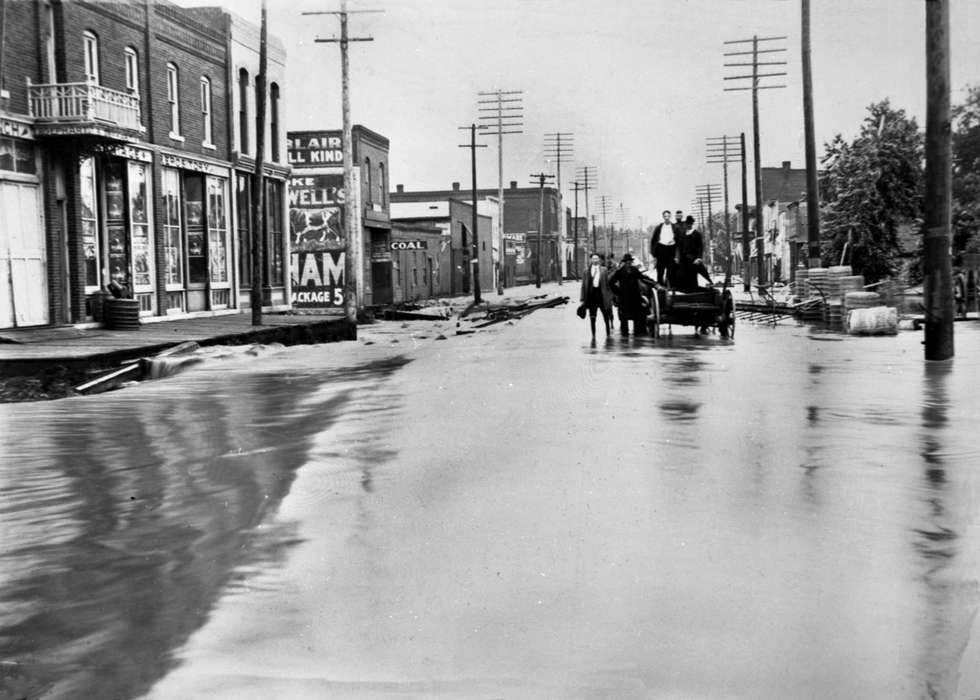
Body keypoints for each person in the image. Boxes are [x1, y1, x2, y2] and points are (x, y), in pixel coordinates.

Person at [609, 253, 648, 336]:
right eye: (627, 262)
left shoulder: (635, 270)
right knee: (624, 319)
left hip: (635, 297)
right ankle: (625, 336)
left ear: (631, 262)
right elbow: (611, 283)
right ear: (624, 262)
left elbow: (643, 278)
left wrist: (655, 284)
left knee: (637, 317)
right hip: (624, 298)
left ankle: (637, 335)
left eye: (629, 261)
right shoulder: (620, 272)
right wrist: (618, 291)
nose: (628, 263)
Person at [579, 253, 614, 338]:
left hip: (601, 295)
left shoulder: (604, 270)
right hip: (591, 296)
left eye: (597, 259)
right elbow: (583, 285)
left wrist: (610, 297)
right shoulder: (586, 271)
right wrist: (582, 298)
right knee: (592, 317)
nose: (595, 260)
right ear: (590, 260)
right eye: (593, 259)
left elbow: (607, 284)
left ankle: (608, 333)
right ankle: (593, 335)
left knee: (605, 315)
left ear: (599, 260)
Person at [677, 215, 713, 292]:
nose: (689, 225)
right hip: (684, 261)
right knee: (683, 277)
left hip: (694, 259)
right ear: (686, 224)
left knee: (700, 273)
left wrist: (699, 258)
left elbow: (701, 247)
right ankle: (687, 292)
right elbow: (680, 248)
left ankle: (708, 287)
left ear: (692, 224)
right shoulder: (682, 235)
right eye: (687, 223)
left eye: (690, 223)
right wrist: (678, 258)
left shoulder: (697, 234)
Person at [649, 209, 680, 287]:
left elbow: (678, 241)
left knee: (671, 270)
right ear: (663, 217)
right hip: (661, 249)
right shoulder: (659, 227)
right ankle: (660, 287)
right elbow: (653, 240)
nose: (667, 218)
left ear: (670, 217)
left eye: (668, 216)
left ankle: (672, 288)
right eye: (665, 216)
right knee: (660, 270)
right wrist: (653, 253)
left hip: (671, 249)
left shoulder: (674, 227)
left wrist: (677, 255)